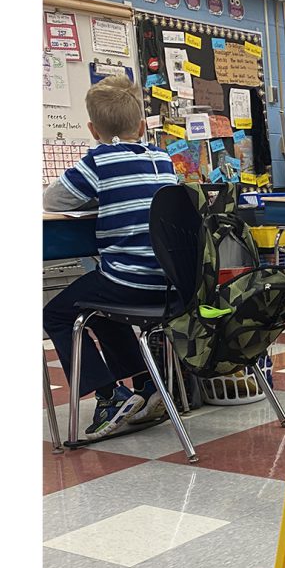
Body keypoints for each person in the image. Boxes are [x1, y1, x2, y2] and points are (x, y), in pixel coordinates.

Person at [43, 76, 178, 439]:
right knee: (97, 309)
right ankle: (147, 386)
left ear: (92, 129)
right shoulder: (163, 159)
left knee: (55, 314)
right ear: (140, 125)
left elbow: (52, 201)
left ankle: (108, 397)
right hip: (171, 284)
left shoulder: (100, 161)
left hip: (130, 281)